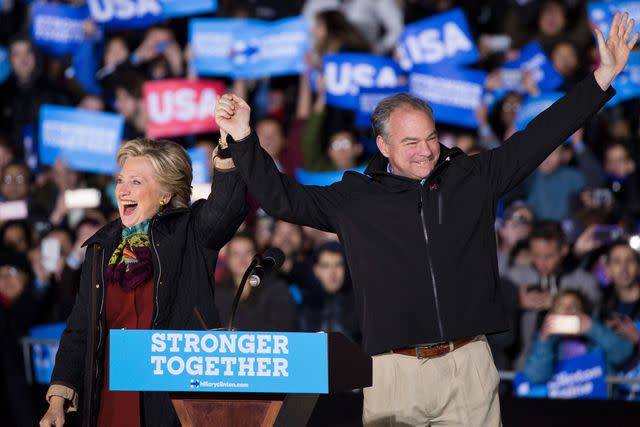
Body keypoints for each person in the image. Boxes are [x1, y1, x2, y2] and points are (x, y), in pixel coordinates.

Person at [216, 13, 637, 426]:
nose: (425, 150)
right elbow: (281, 197)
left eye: (432, 137)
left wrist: (601, 80)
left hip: (468, 366)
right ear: (383, 145)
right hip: (392, 373)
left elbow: (539, 136)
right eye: (411, 141)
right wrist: (244, 139)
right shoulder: (354, 198)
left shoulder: (471, 178)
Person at [39, 137, 247, 427]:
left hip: (172, 400)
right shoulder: (102, 247)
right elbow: (80, 329)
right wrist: (58, 400)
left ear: (165, 194)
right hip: (110, 399)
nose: (122, 190)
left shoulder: (192, 231)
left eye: (136, 182)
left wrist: (229, 152)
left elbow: (227, 208)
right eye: (121, 180)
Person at [523, 289, 634, 385]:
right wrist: (544, 339)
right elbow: (536, 377)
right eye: (561, 307)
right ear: (552, 314)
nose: (568, 310)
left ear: (583, 312)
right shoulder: (548, 343)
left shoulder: (597, 338)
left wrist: (592, 328)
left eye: (574, 306)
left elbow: (622, 354)